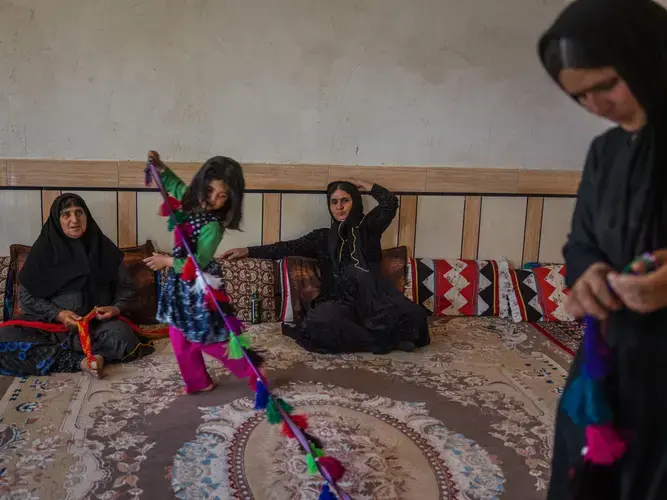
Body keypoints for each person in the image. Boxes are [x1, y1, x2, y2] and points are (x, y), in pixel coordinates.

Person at [538, 1, 667, 498]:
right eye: (580, 96)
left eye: (607, 84)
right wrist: (587, 271)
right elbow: (582, 240)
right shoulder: (605, 153)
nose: (596, 106)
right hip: (610, 356)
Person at [223, 179, 430, 354]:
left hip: (374, 297)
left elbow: (389, 203)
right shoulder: (322, 237)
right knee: (321, 323)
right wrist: (248, 251)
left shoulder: (369, 227)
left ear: (355, 202)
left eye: (345, 200)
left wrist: (367, 184)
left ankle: (373, 337)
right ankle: (383, 341)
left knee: (415, 317)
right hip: (340, 300)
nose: (339, 207)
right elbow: (286, 247)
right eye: (334, 202)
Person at [143, 151, 265, 395]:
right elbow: (174, 184)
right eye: (210, 191)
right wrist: (160, 165)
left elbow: (196, 263)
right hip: (180, 285)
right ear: (201, 184)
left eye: (222, 196)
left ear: (230, 201)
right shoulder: (190, 200)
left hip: (200, 287)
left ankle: (253, 370)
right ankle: (198, 382)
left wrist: (165, 260)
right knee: (179, 338)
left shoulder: (212, 226)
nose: (212, 199)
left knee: (210, 339)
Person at [0, 194, 151, 378]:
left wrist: (115, 309)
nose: (74, 220)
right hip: (50, 329)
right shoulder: (43, 252)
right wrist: (59, 314)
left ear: (86, 216)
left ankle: (80, 357)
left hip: (96, 328)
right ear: (57, 220)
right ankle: (81, 361)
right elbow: (27, 297)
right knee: (5, 339)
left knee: (122, 336)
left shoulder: (104, 249)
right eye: (66, 214)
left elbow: (127, 290)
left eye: (79, 212)